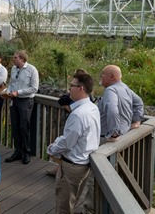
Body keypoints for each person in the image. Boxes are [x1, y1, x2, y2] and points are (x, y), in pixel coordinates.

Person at [47, 69, 100, 214]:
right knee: (72, 201)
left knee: (64, 205)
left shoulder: (78, 114)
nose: (69, 89)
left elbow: (67, 142)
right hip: (84, 163)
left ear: (80, 89)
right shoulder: (92, 108)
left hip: (72, 165)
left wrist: (52, 149)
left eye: (72, 85)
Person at [4, 50, 39, 165]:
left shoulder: (32, 70)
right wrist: (8, 92)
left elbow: (34, 88)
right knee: (15, 127)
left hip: (26, 101)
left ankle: (26, 153)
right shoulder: (14, 69)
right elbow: (11, 83)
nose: (13, 59)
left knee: (24, 127)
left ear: (22, 59)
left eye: (15, 57)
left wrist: (18, 92)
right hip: (14, 101)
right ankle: (18, 151)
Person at [98, 64, 144, 142]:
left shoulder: (110, 90)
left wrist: (114, 133)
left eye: (102, 74)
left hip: (108, 138)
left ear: (111, 77)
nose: (100, 76)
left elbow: (112, 110)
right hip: (124, 132)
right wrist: (137, 121)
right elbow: (139, 102)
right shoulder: (124, 87)